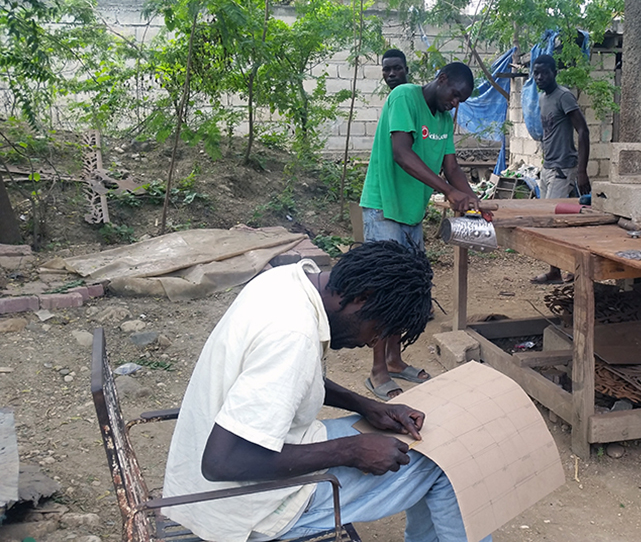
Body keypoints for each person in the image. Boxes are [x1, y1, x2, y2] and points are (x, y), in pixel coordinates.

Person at [162, 241, 491, 542]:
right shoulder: (292, 335)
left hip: (226, 475)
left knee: (433, 453)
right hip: (250, 508)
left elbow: (294, 380)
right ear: (361, 296)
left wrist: (366, 406)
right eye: (378, 329)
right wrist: (350, 451)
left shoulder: (285, 281)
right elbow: (222, 462)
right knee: (450, 461)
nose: (372, 343)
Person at [359, 62, 481, 400]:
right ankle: (377, 371)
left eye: (461, 100)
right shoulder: (404, 97)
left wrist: (470, 196)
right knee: (384, 292)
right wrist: (447, 190)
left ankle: (396, 361)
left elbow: (451, 165)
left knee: (407, 290)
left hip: (411, 213)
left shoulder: (443, 119)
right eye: (455, 95)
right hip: (384, 206)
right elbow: (401, 153)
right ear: (441, 80)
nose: (455, 103)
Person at [529, 54, 591, 285]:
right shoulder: (543, 98)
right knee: (551, 222)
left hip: (563, 168)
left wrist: (582, 170)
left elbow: (583, 130)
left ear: (555, 72)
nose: (539, 77)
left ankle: (568, 268)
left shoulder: (564, 96)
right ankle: (555, 270)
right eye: (536, 73)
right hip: (548, 167)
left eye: (544, 72)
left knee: (554, 222)